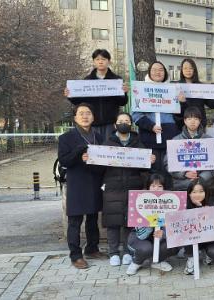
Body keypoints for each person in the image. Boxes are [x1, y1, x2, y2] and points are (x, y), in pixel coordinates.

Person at [101, 112, 155, 266]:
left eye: (126, 121)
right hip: (112, 187)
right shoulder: (107, 143)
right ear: (115, 124)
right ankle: (113, 252)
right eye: (120, 121)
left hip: (133, 186)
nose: (123, 123)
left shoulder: (138, 143)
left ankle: (127, 251)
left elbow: (145, 168)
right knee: (113, 220)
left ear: (131, 124)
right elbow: (99, 167)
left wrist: (150, 161)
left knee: (129, 222)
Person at [58, 103, 105, 269]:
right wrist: (79, 153)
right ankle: (75, 255)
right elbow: (65, 161)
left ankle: (92, 248)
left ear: (93, 117)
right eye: (81, 113)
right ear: (75, 118)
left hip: (94, 181)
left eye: (88, 113)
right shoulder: (66, 138)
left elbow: (104, 161)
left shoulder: (98, 137)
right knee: (75, 221)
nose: (85, 116)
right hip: (77, 183)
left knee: (92, 218)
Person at [65, 49, 128, 141]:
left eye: (103, 59)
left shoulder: (116, 80)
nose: (100, 62)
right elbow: (78, 102)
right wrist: (70, 95)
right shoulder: (87, 81)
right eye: (97, 59)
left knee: (109, 148)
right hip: (92, 123)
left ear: (109, 61)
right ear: (94, 62)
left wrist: (124, 93)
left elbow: (123, 102)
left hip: (110, 123)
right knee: (93, 149)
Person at [126, 174, 181, 275]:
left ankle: (157, 261)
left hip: (159, 238)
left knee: (175, 243)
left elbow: (175, 229)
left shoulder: (170, 202)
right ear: (148, 187)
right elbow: (141, 236)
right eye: (153, 186)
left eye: (160, 186)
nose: (156, 189)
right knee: (146, 248)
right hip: (140, 238)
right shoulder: (139, 200)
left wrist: (163, 234)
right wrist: (150, 223)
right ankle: (136, 262)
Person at [132, 62, 179, 178]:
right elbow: (136, 115)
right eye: (154, 69)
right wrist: (151, 126)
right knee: (152, 176)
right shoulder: (141, 89)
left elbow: (180, 115)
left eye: (161, 70)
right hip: (149, 139)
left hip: (170, 138)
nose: (158, 72)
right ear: (149, 72)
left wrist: (181, 102)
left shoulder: (173, 89)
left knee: (169, 173)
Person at [168, 106, 214, 190]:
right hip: (181, 186)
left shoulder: (208, 141)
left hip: (203, 186)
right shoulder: (176, 141)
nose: (193, 121)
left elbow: (213, 164)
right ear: (185, 121)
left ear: (200, 121)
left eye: (196, 119)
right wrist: (184, 173)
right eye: (189, 119)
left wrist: (201, 178)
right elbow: (168, 163)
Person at [183, 180, 214, 275]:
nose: (198, 194)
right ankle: (191, 258)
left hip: (208, 239)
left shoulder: (212, 205)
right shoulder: (184, 206)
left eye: (201, 191)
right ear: (189, 194)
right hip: (192, 241)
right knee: (188, 232)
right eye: (194, 192)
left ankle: (206, 253)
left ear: (206, 192)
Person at [175, 58, 214, 129]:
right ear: (181, 70)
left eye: (191, 68)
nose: (188, 70)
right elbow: (174, 109)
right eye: (185, 68)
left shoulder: (201, 86)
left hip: (199, 124)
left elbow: (212, 104)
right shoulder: (177, 86)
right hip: (181, 125)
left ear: (194, 70)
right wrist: (182, 102)